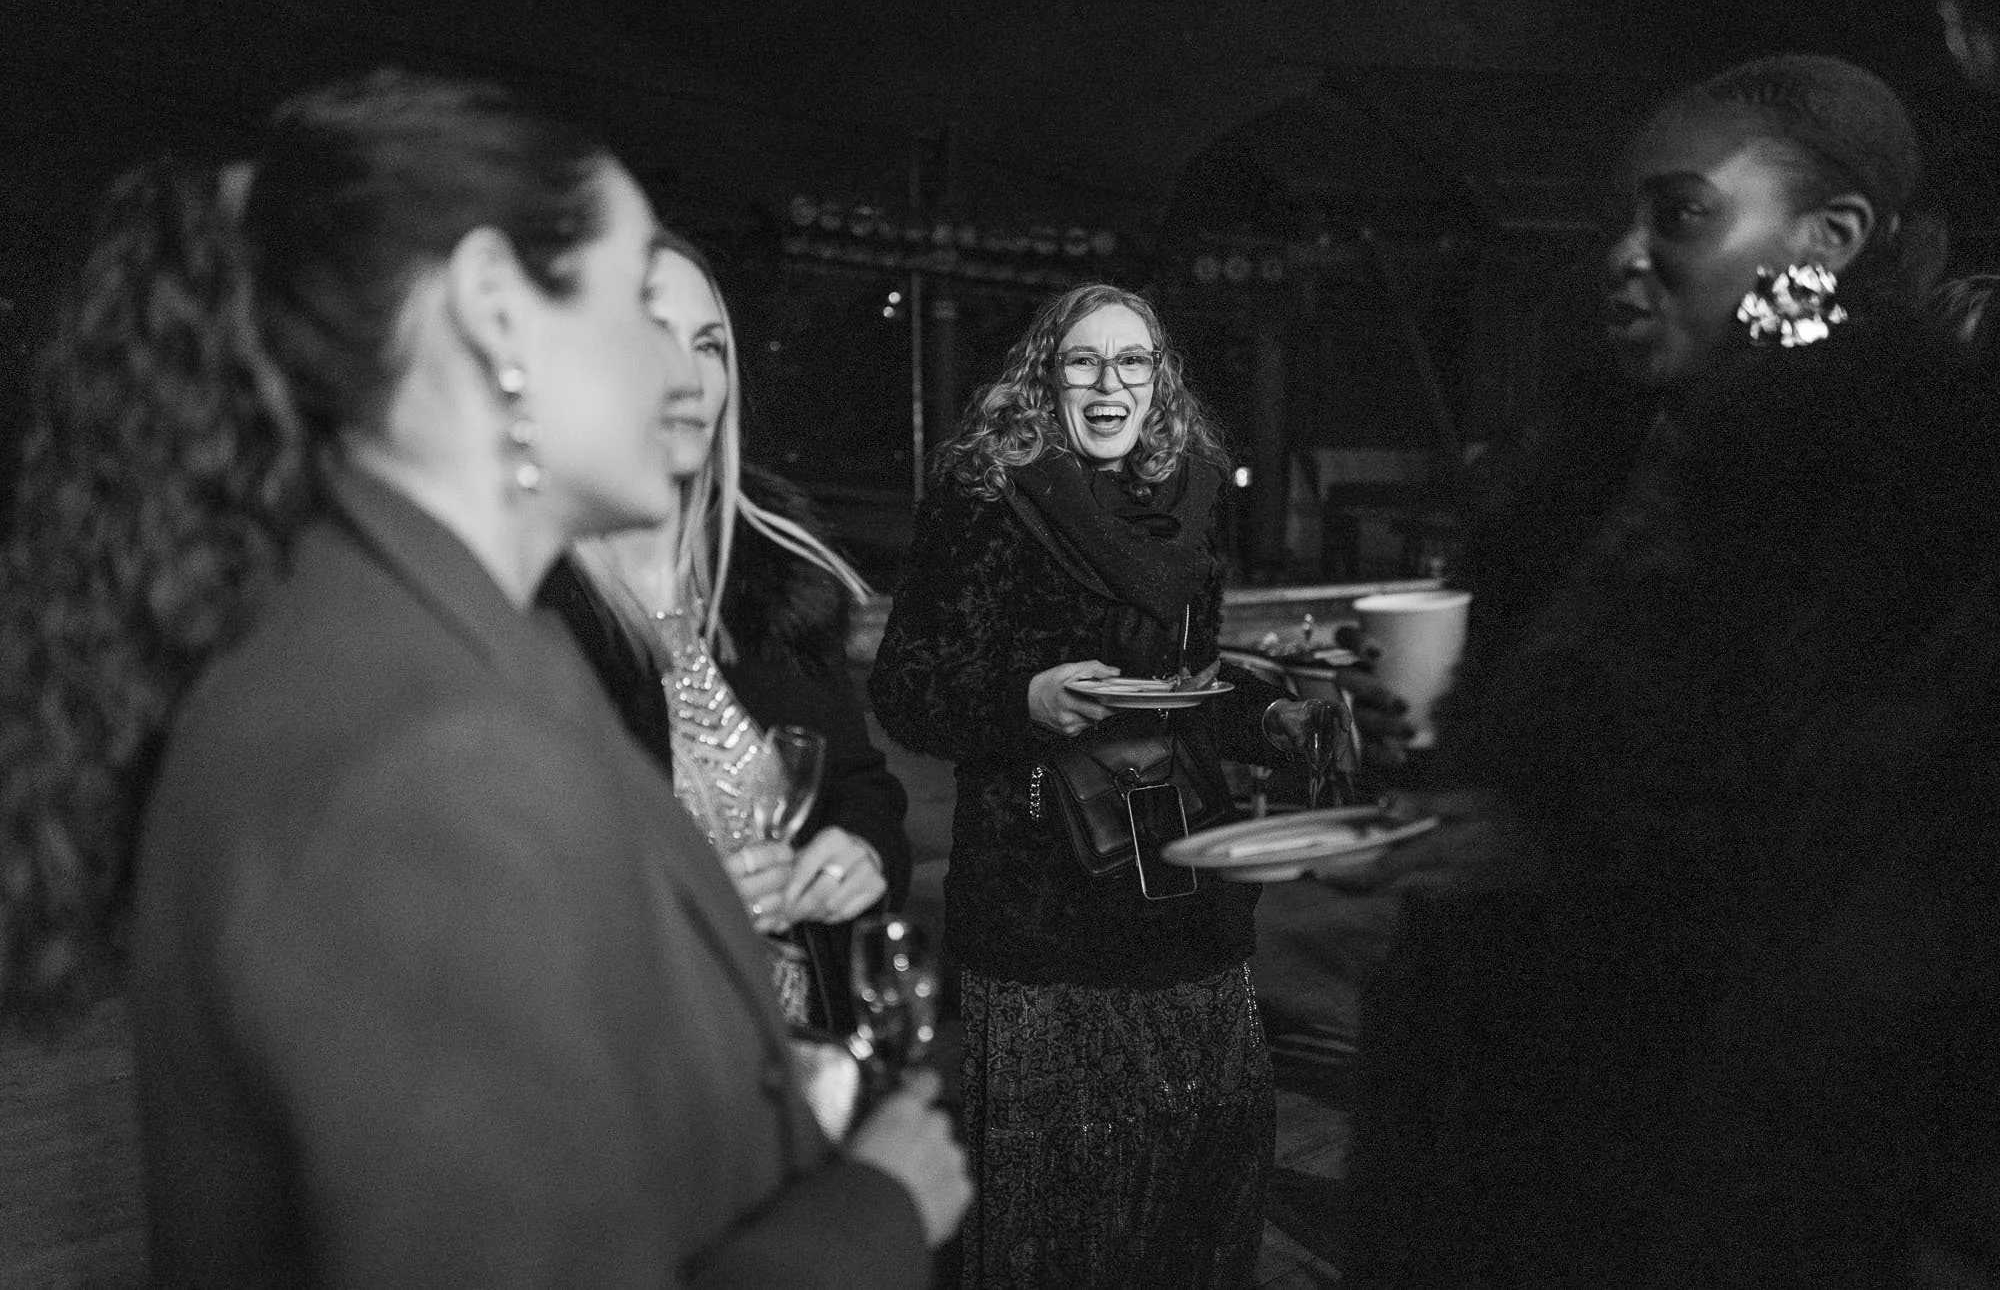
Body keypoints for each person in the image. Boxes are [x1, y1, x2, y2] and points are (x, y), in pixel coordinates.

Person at [0, 68, 966, 1284]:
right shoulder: (425, 754)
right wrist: (873, 1206)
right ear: (497, 313)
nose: (687, 380)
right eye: (632, 304)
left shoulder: (400, 635)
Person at [1343, 55, 2000, 1288]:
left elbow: (1862, 864)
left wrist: (1560, 848)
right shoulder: (1597, 455)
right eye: (1620, 219)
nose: (1623, 255)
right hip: (1504, 1100)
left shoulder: (1902, 487)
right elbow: (1552, 732)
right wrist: (1437, 747)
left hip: (1694, 1140)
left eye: (1681, 213)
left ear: (1831, 235)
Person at [870, 282, 1331, 1288]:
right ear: (1047, 378)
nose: (1110, 382)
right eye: (1084, 361)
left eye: (1134, 362)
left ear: (1160, 382)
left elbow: (1188, 688)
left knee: (1197, 1191)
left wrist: (1268, 719)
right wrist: (1024, 699)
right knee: (1058, 1212)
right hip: (1044, 911)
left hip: (1178, 890)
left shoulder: (1190, 501)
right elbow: (904, 687)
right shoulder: (988, 499)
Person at [537, 233, 911, 1034]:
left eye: (709, 345)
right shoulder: (531, 599)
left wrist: (862, 852)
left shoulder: (775, 574)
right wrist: (685, 901)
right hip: (628, 1059)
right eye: (654, 338)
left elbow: (861, 785)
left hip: (796, 1044)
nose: (690, 374)